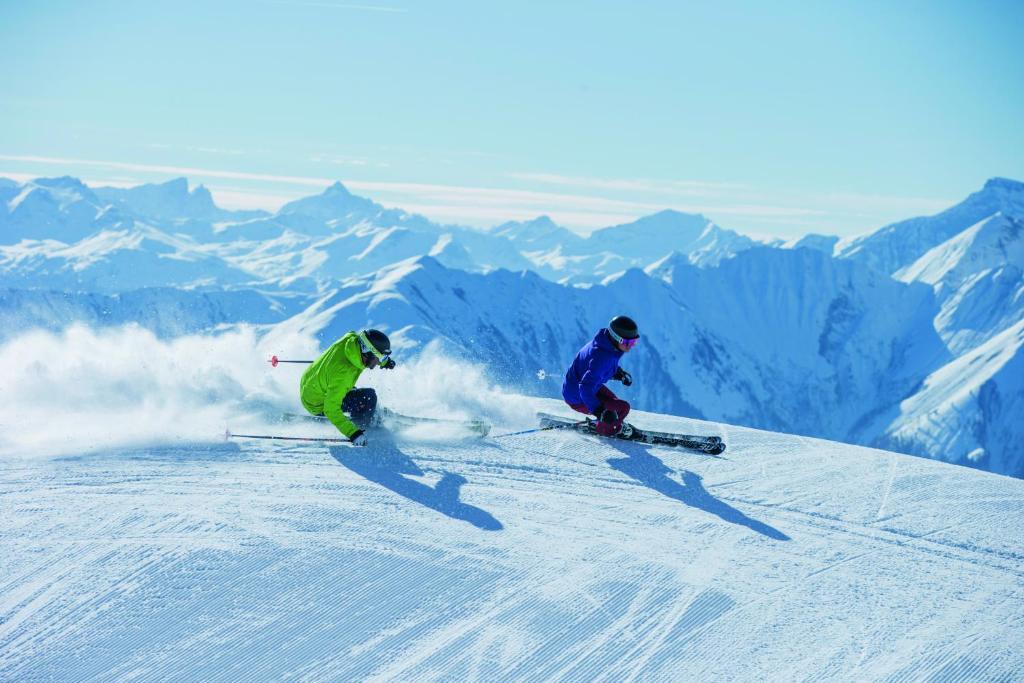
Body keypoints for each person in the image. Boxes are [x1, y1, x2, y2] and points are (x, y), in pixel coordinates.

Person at [299, 329, 396, 446]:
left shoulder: (351, 340)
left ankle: (366, 411)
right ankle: (364, 425)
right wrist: (353, 433)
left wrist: (385, 362)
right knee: (368, 397)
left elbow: (366, 346)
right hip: (318, 404)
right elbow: (330, 409)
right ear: (368, 353)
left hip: (311, 383)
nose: (379, 362)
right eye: (380, 358)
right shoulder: (343, 374)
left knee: (356, 393)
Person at [562, 315, 638, 437]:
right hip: (577, 397)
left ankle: (606, 423)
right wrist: (599, 412)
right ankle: (607, 430)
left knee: (615, 404)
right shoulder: (603, 357)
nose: (630, 346)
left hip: (580, 386)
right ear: (616, 338)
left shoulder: (606, 344)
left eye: (634, 342)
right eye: (627, 342)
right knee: (623, 408)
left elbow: (596, 367)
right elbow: (585, 387)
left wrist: (617, 373)